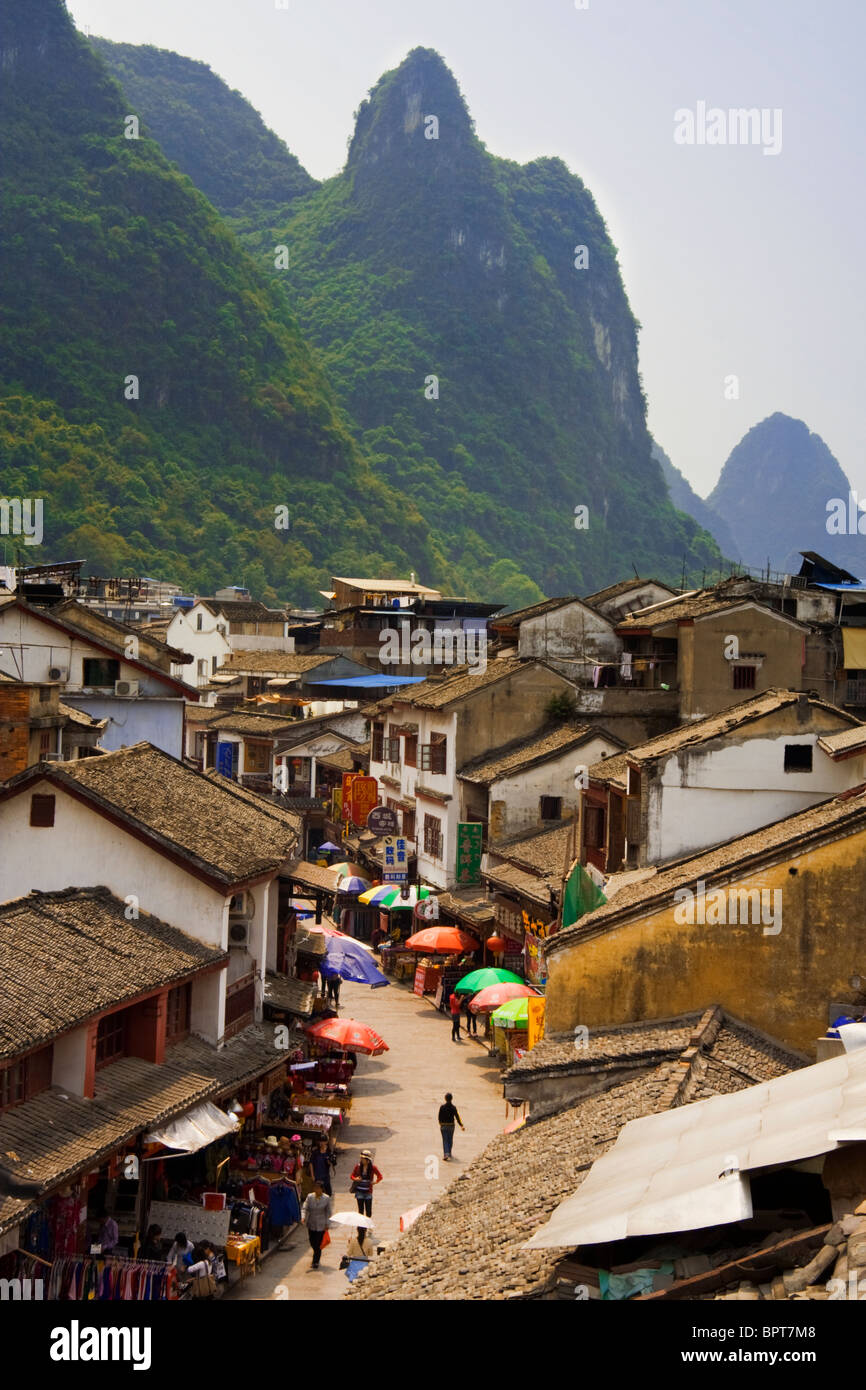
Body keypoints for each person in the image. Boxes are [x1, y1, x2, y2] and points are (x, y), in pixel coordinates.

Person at [302, 1181, 332, 1269]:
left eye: (318, 1188)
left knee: (318, 1244)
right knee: (312, 1241)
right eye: (315, 1188)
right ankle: (316, 1255)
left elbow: (328, 1212)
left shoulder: (326, 1198)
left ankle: (315, 1261)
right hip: (311, 1223)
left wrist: (327, 1223)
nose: (317, 1190)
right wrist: (303, 1217)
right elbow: (304, 1208)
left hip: (321, 1224)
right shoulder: (310, 1197)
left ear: (322, 1189)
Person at [349, 1149, 383, 1217]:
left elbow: (380, 1176)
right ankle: (361, 1226)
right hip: (359, 1191)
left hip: (368, 1191)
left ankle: (367, 1225)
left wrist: (375, 1182)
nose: (361, 1159)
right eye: (361, 1158)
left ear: (368, 1160)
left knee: (368, 1212)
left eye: (363, 1158)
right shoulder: (358, 1166)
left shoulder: (373, 1168)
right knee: (360, 1211)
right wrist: (356, 1179)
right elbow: (352, 1176)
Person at [438, 1092, 464, 1161]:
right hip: (451, 1125)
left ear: (445, 1099)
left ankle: (446, 1153)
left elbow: (439, 1117)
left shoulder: (442, 1107)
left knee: (445, 1140)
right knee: (450, 1139)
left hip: (443, 1125)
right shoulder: (453, 1107)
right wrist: (461, 1125)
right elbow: (457, 1117)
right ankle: (449, 1152)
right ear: (451, 1099)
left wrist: (441, 1124)